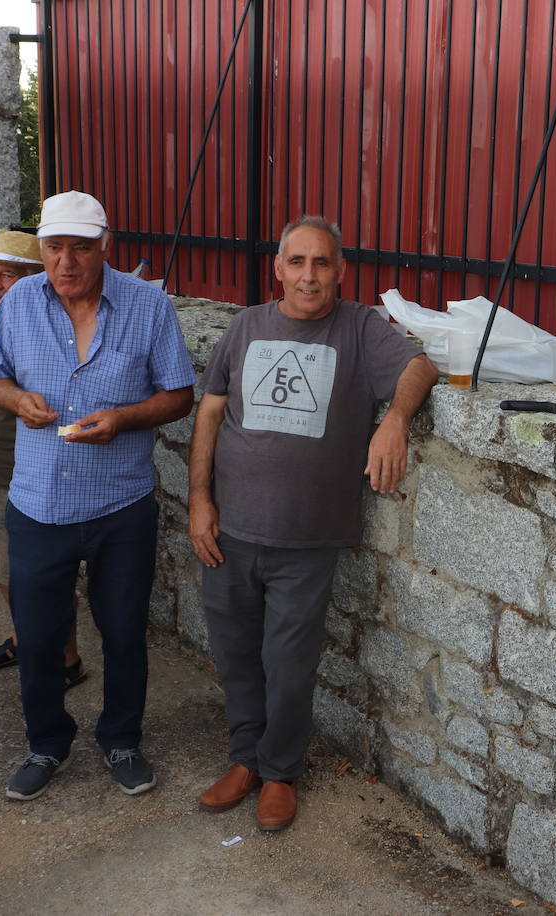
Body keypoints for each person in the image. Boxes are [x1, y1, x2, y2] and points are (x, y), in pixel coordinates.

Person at [188, 216, 438, 831]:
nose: (309, 275)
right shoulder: (245, 326)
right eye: (297, 262)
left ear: (340, 271)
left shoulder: (358, 327)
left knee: (289, 663)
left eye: (321, 263)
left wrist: (395, 419)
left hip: (307, 539)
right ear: (278, 269)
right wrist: (199, 499)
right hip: (230, 531)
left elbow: (420, 368)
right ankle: (244, 759)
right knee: (237, 655)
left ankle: (279, 771)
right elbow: (211, 414)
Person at [0, 191, 196, 801]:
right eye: (55, 247)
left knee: (124, 630)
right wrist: (17, 401)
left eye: (81, 247)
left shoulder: (148, 307)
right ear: (42, 248)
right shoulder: (19, 303)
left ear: (107, 245)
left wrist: (123, 419)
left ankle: (122, 738)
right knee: (39, 633)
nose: (67, 261)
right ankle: (46, 743)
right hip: (38, 503)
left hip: (120, 505)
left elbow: (178, 394)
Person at [0, 230, 82, 687]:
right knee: (4, 574)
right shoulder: (1, 322)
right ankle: (24, 640)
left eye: (7, 275)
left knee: (35, 581)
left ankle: (65, 659)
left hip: (23, 479)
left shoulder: (43, 329)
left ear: (36, 279)